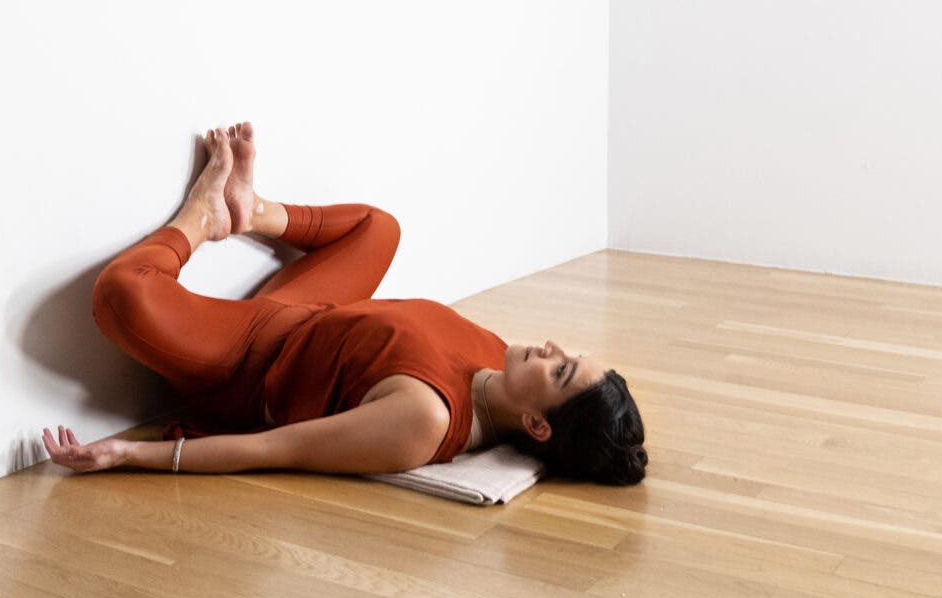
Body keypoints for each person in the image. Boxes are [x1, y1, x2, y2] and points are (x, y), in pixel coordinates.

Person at [43, 122, 647, 485]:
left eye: (560, 370)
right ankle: (249, 210)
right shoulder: (498, 361)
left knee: (123, 295)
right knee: (380, 228)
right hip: (308, 315)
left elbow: (275, 449)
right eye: (568, 355)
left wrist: (130, 453)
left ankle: (202, 217)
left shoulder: (428, 419)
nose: (550, 348)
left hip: (245, 360)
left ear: (538, 424)